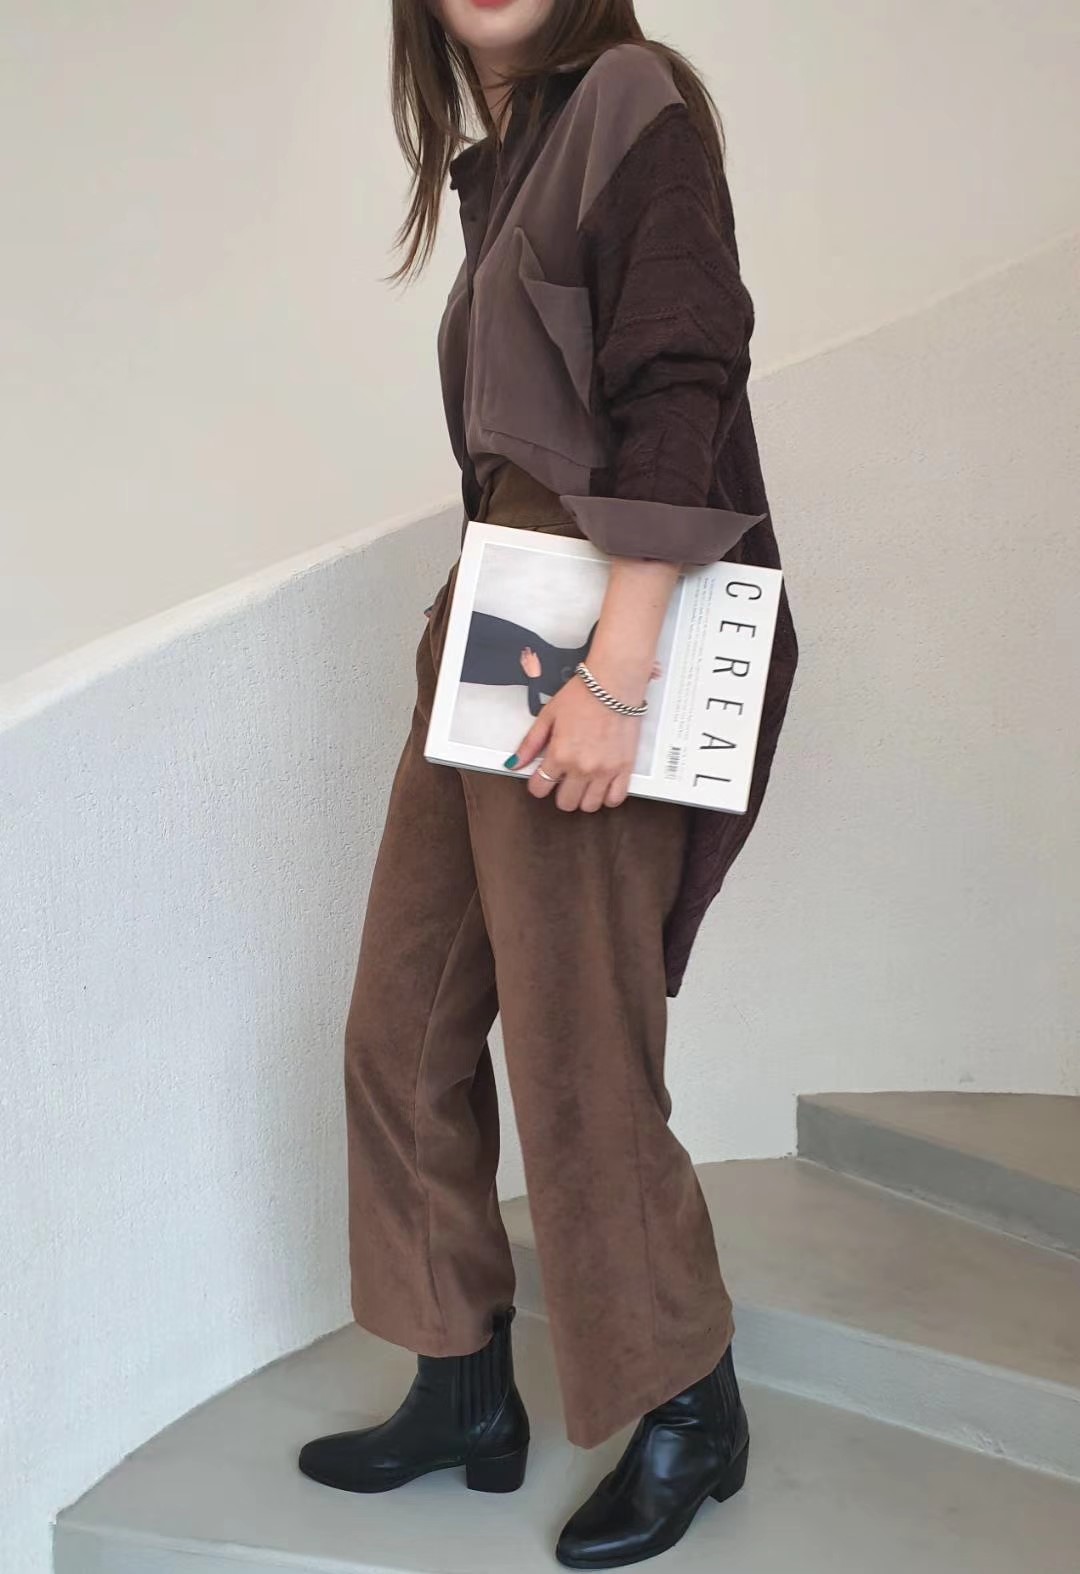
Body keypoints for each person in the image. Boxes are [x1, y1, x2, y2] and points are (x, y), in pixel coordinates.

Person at [299, 1, 799, 1567]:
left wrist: (617, 670)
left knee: (578, 1041)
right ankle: (462, 1379)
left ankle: (688, 1401)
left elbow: (683, 377)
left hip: (593, 616)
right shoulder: (507, 154)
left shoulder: (633, 96)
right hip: (502, 610)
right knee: (400, 1020)